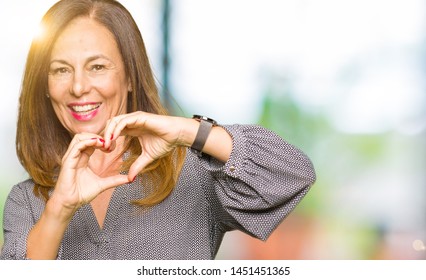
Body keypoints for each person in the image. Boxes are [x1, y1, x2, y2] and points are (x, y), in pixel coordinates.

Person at [0, 0, 316, 260]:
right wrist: (58, 211)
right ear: (45, 86)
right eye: (61, 70)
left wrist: (189, 131)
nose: (79, 86)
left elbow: (292, 175)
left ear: (129, 78)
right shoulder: (26, 201)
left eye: (97, 66)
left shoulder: (192, 175)